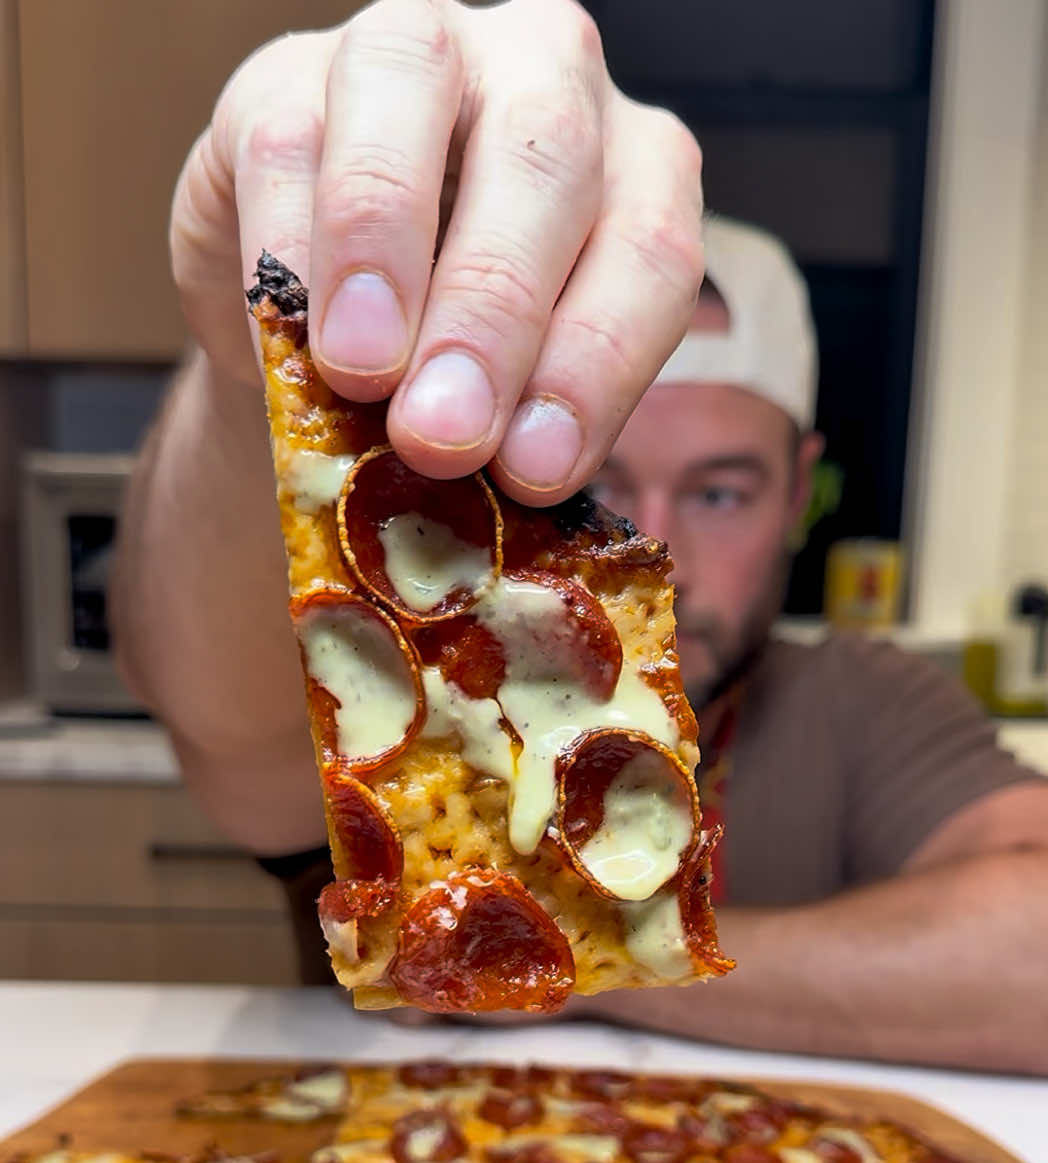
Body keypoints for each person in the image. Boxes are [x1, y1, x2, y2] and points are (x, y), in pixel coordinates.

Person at [114, 0, 1048, 1073]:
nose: (657, 552)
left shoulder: (864, 701)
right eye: (590, 492)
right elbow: (200, 695)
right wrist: (255, 374)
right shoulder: (422, 688)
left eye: (719, 493)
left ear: (799, 490)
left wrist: (566, 954)